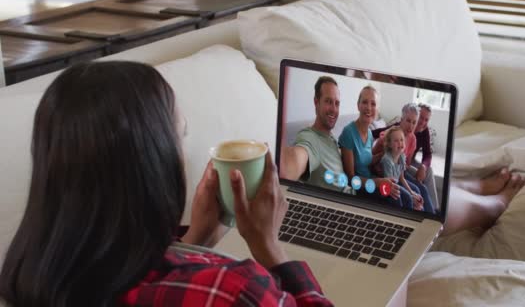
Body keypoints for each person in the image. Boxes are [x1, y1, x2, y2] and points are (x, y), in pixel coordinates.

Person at [0, 62, 333, 307]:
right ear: (152, 162)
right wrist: (269, 247)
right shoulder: (232, 290)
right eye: (180, 134)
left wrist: (195, 240)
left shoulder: (27, 278)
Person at [339, 86, 412, 208]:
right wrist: (378, 182)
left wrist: (383, 154)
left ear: (377, 109)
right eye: (365, 102)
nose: (369, 107)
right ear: (358, 105)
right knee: (397, 200)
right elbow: (351, 179)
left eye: (373, 104)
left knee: (407, 198)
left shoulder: (369, 132)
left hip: (371, 180)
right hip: (361, 187)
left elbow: (367, 159)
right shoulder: (348, 132)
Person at [280, 76, 348, 193]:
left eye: (337, 103)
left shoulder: (331, 137)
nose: (333, 109)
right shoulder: (310, 137)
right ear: (316, 102)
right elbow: (296, 157)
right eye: (328, 101)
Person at [372, 103, 435, 213]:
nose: (411, 126)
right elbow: (373, 161)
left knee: (421, 188)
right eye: (408, 121)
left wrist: (422, 168)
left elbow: (406, 165)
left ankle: (430, 216)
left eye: (414, 122)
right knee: (413, 192)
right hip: (386, 174)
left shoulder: (413, 138)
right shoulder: (389, 136)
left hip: (400, 170)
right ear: (402, 120)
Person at [380, 127, 424, 211]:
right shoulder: (387, 160)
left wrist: (412, 192)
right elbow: (390, 184)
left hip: (397, 183)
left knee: (416, 192)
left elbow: (401, 178)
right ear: (389, 144)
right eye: (396, 141)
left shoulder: (402, 156)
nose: (400, 143)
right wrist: (411, 196)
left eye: (401, 140)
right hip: (389, 187)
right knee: (408, 197)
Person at [410, 103, 439, 208]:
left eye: (426, 120)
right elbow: (383, 131)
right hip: (403, 162)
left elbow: (427, 154)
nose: (423, 122)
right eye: (421, 117)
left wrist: (423, 166)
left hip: (411, 160)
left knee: (429, 170)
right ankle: (427, 208)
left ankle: (435, 209)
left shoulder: (425, 130)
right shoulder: (407, 123)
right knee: (421, 179)